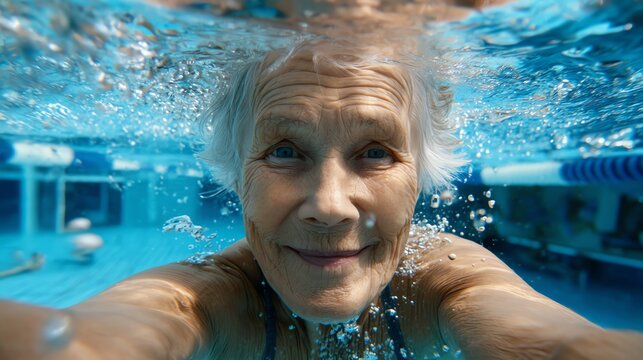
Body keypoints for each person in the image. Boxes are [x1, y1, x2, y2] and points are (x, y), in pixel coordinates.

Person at [1, 39, 642, 359]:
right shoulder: (219, 295)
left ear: (422, 175)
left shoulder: (448, 284)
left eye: (375, 152)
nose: (330, 206)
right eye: (285, 151)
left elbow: (558, 343)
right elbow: (93, 339)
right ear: (236, 174)